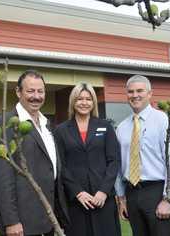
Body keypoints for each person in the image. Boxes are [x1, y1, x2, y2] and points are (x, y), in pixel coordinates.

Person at [0, 70, 69, 236]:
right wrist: (12, 221)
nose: (36, 96)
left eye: (40, 91)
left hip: (48, 217)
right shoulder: (6, 124)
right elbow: (2, 177)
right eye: (30, 91)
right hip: (23, 223)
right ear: (18, 92)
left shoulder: (46, 125)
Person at [115, 75, 170, 236]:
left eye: (140, 90)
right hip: (131, 192)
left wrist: (168, 198)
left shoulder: (165, 122)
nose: (135, 95)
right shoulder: (122, 127)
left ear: (150, 94)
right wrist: (121, 198)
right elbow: (119, 164)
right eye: (130, 92)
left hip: (157, 192)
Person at [54, 82, 121, 236]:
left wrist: (104, 191)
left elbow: (114, 161)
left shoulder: (105, 127)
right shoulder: (61, 131)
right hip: (76, 202)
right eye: (79, 99)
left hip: (103, 199)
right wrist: (78, 192)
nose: (84, 103)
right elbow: (60, 166)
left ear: (93, 102)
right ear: (73, 102)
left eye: (88, 99)